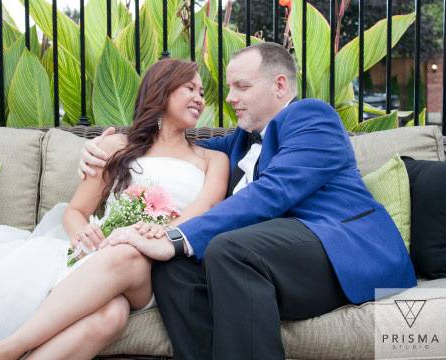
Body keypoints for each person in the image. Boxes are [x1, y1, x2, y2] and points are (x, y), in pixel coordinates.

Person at [78, 42, 417, 359]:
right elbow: (172, 151)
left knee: (229, 250)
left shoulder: (312, 117)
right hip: (272, 260)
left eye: (241, 87)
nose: (229, 98)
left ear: (279, 85)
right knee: (174, 270)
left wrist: (176, 237)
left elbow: (274, 191)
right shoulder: (239, 141)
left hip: (339, 250)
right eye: (229, 88)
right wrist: (113, 145)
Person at [0, 59, 229, 360]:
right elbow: (75, 211)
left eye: (201, 92)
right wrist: (84, 236)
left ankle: (4, 350)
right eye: (190, 88)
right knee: (111, 316)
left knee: (128, 251)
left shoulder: (212, 159)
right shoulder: (117, 146)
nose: (199, 98)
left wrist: (160, 233)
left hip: (158, 266)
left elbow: (207, 207)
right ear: (161, 90)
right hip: (100, 256)